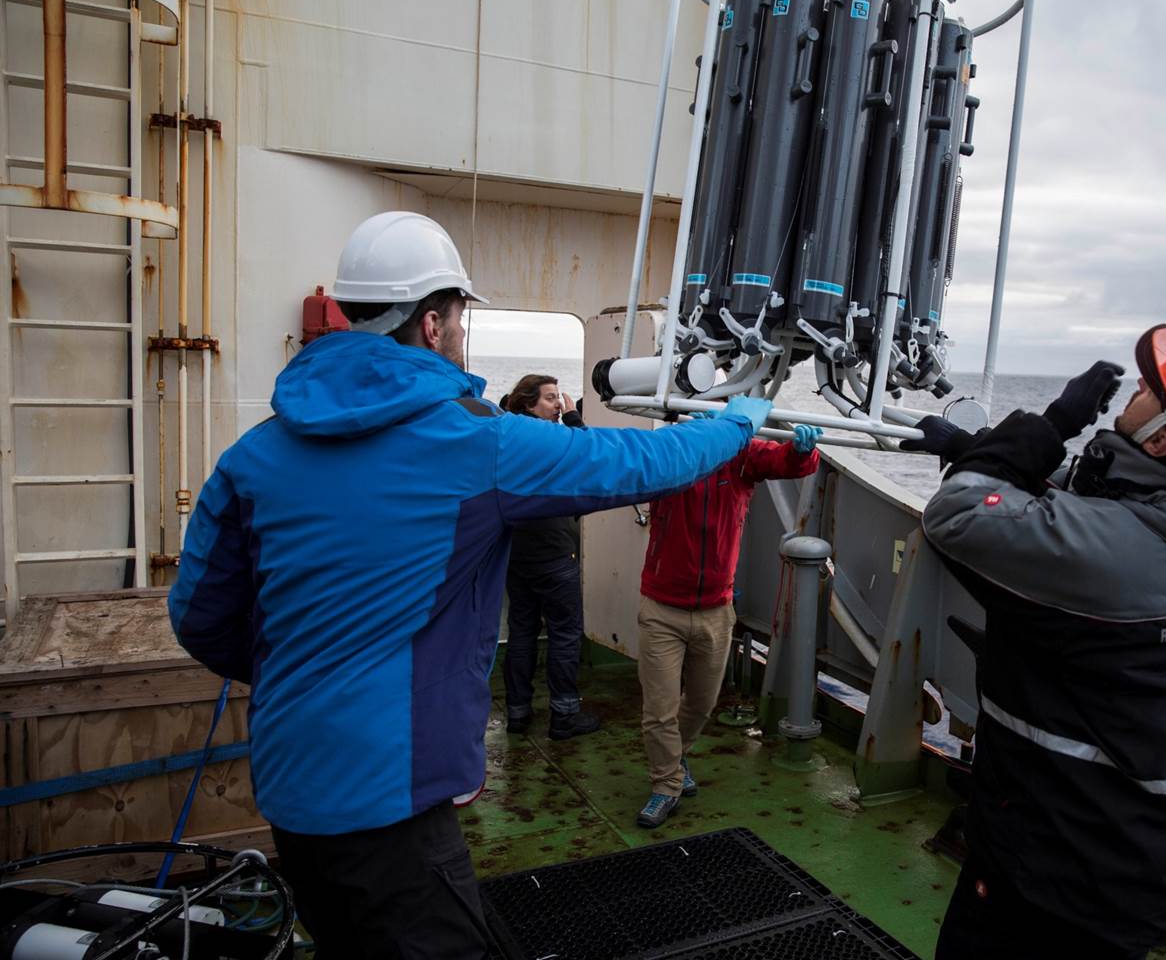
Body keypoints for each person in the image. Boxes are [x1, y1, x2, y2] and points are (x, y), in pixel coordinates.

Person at [167, 210, 775, 959]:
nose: (461, 333)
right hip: (390, 799)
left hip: (291, 788)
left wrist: (308, 674)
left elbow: (199, 617)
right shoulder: (475, 443)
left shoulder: (254, 452)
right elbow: (640, 463)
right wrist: (735, 423)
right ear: (432, 324)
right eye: (460, 318)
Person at [903, 325, 1166, 959]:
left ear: (1163, 437)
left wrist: (1053, 423)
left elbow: (957, 516)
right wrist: (977, 448)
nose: (1140, 385)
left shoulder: (1118, 555)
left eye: (1154, 390)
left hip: (1062, 865)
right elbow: (1094, 499)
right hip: (1140, 852)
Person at [634, 422, 823, 828]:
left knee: (701, 703)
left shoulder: (739, 457)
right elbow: (630, 467)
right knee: (659, 710)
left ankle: (676, 758)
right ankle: (666, 784)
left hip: (715, 610)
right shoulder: (669, 454)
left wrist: (801, 451)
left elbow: (785, 463)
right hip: (662, 609)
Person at [502, 374, 595, 738]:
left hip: (517, 554)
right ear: (529, 404)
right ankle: (564, 715)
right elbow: (592, 458)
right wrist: (572, 419)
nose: (558, 404)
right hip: (555, 555)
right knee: (564, 635)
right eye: (551, 398)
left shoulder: (508, 436)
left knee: (522, 632)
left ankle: (517, 713)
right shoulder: (552, 438)